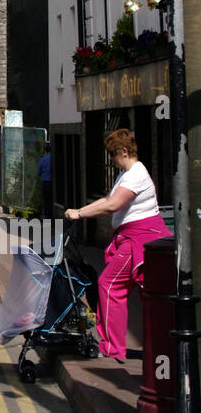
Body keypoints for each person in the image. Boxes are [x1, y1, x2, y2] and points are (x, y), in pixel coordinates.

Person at [65, 128, 171, 361]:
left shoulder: (136, 173)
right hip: (134, 238)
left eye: (113, 153)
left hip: (140, 239)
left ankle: (113, 347)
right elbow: (106, 200)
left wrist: (79, 213)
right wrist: (79, 211)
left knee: (110, 285)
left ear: (124, 151)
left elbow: (112, 205)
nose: (111, 159)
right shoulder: (126, 174)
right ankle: (161, 345)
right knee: (150, 296)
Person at [37, 144, 53, 219]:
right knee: (52, 200)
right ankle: (53, 216)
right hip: (54, 183)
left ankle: (47, 216)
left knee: (46, 200)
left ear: (45, 151)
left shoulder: (42, 159)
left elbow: (38, 172)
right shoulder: (54, 159)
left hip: (45, 182)